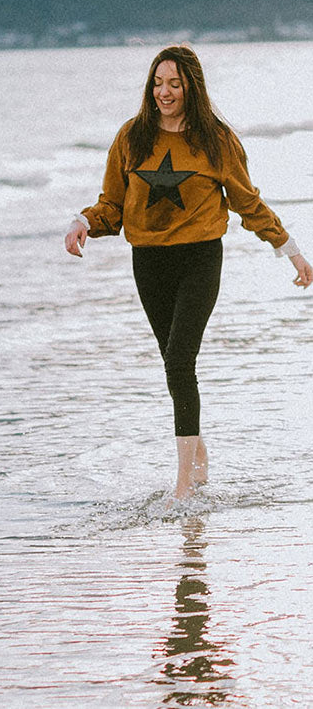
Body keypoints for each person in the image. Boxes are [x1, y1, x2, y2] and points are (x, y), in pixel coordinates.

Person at [64, 45, 312, 501]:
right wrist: (83, 222)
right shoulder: (131, 137)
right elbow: (112, 206)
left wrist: (290, 250)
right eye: (158, 83)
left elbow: (246, 201)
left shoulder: (215, 139)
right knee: (172, 364)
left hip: (200, 257)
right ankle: (198, 453)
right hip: (149, 262)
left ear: (191, 87)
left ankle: (183, 486)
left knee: (181, 361)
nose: (164, 92)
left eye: (174, 83)